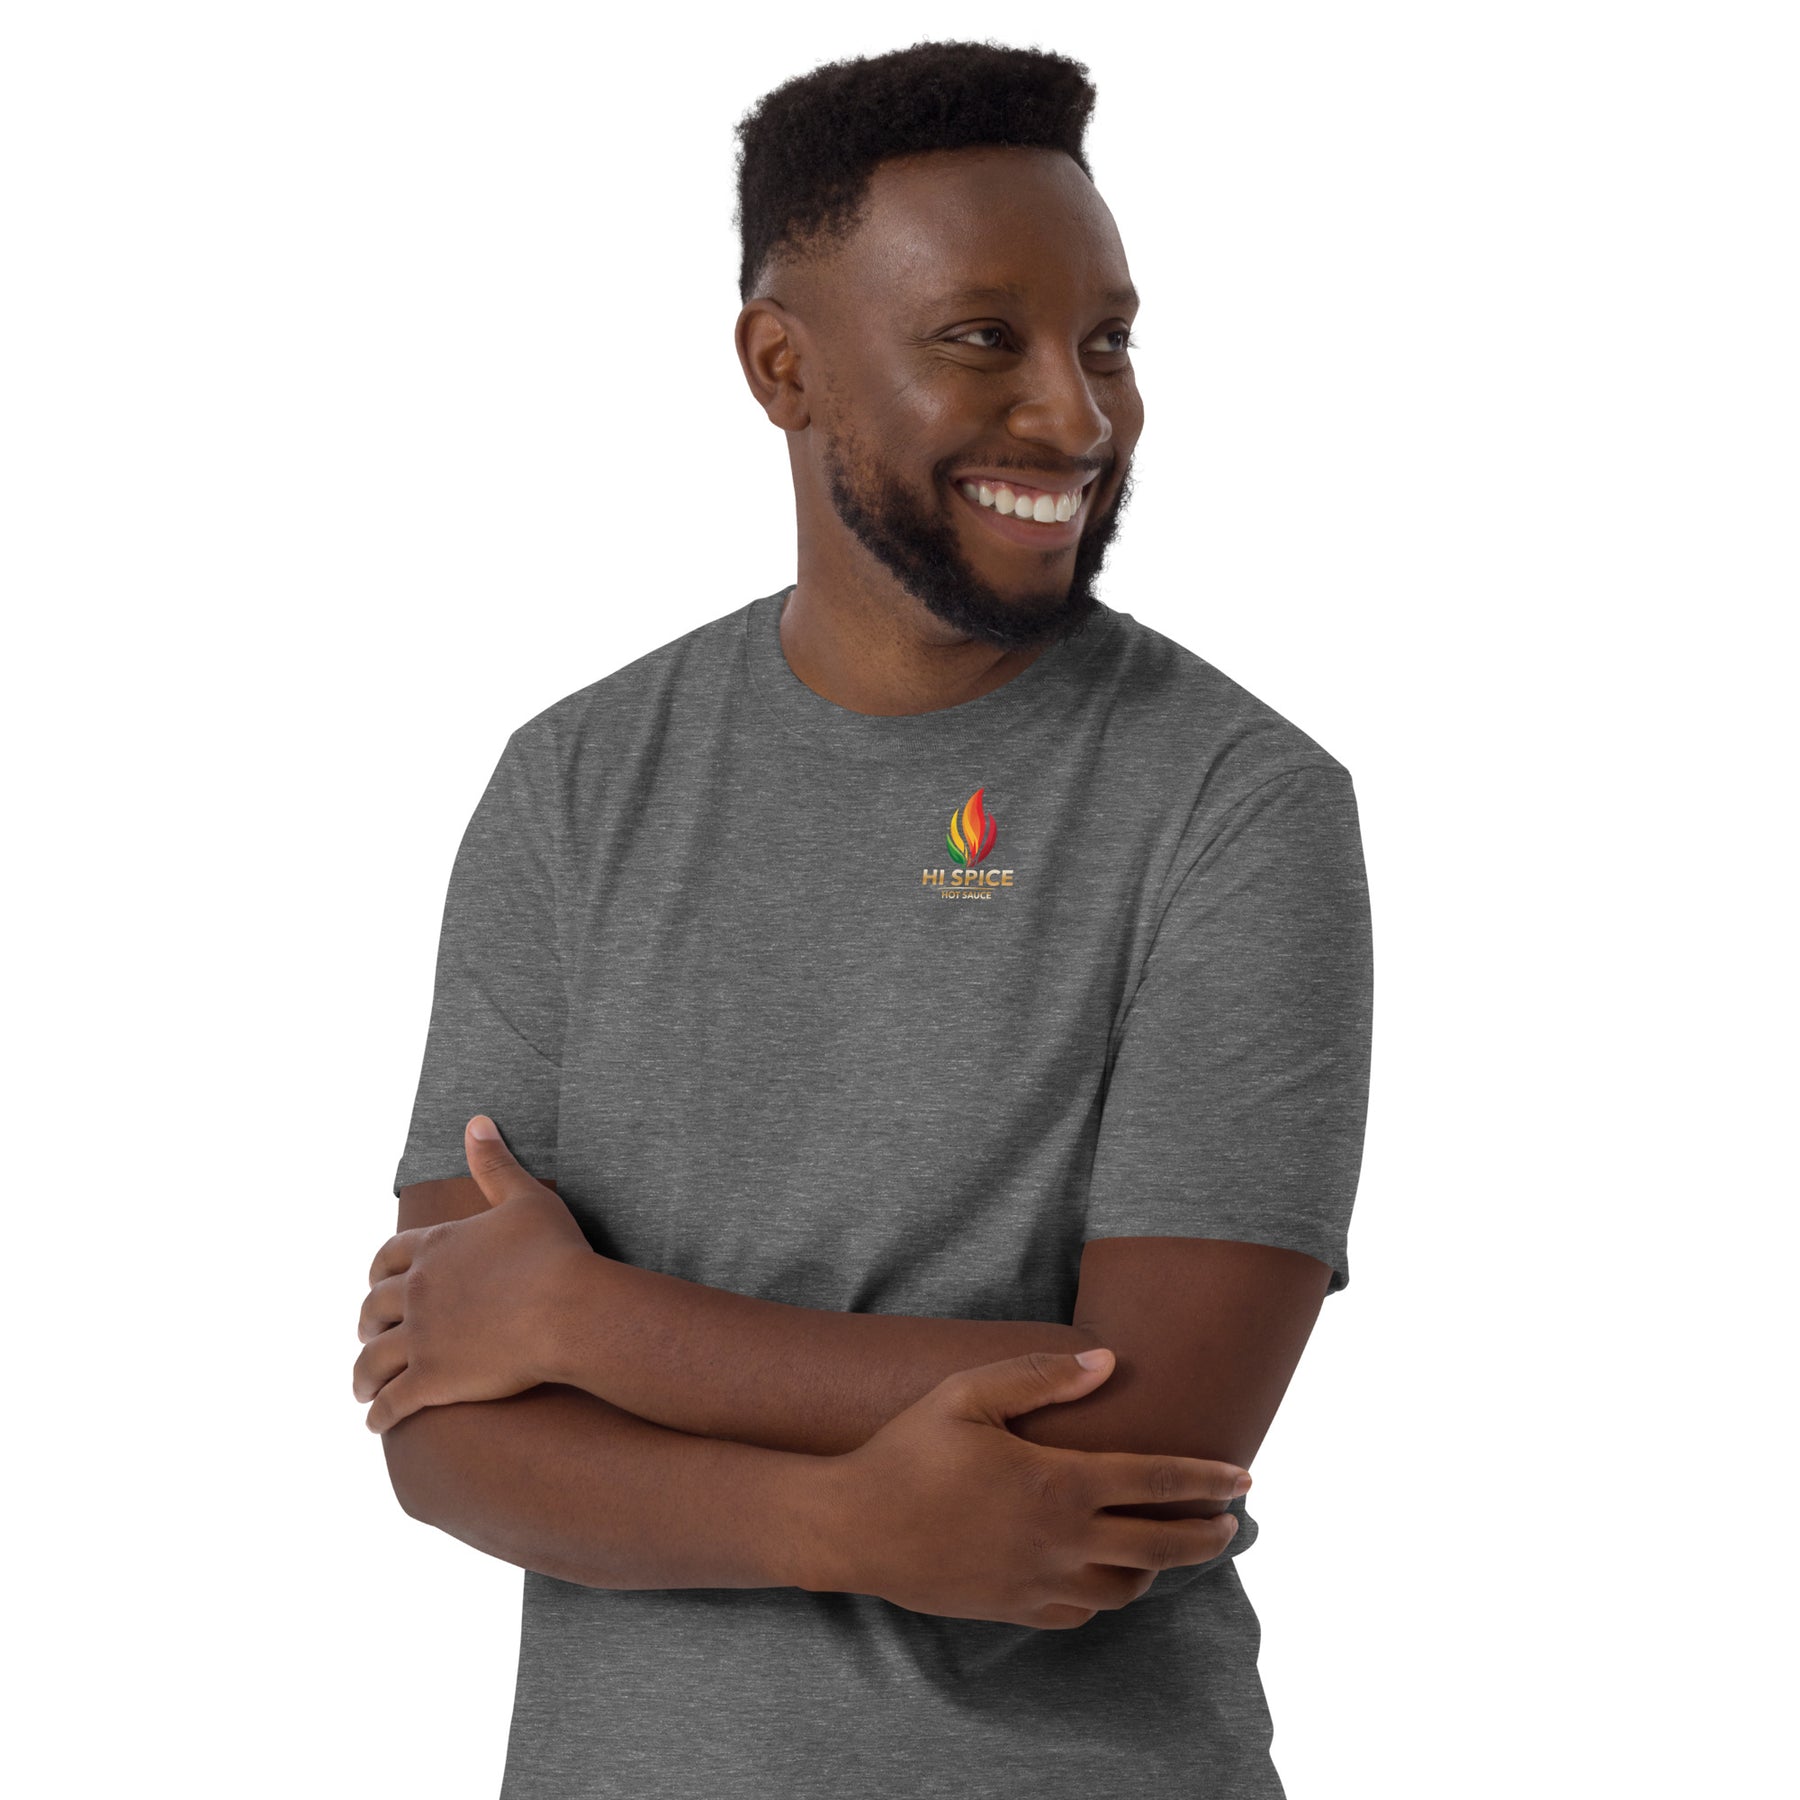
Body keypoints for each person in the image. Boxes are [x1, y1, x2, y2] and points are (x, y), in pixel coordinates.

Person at [355, 38, 1374, 1799]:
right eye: (984, 340)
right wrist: (842, 1523)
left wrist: (585, 1325)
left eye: (1108, 343)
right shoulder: (573, 784)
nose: (1076, 419)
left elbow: (1161, 1424)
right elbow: (442, 1416)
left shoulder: (1238, 801)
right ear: (784, 367)